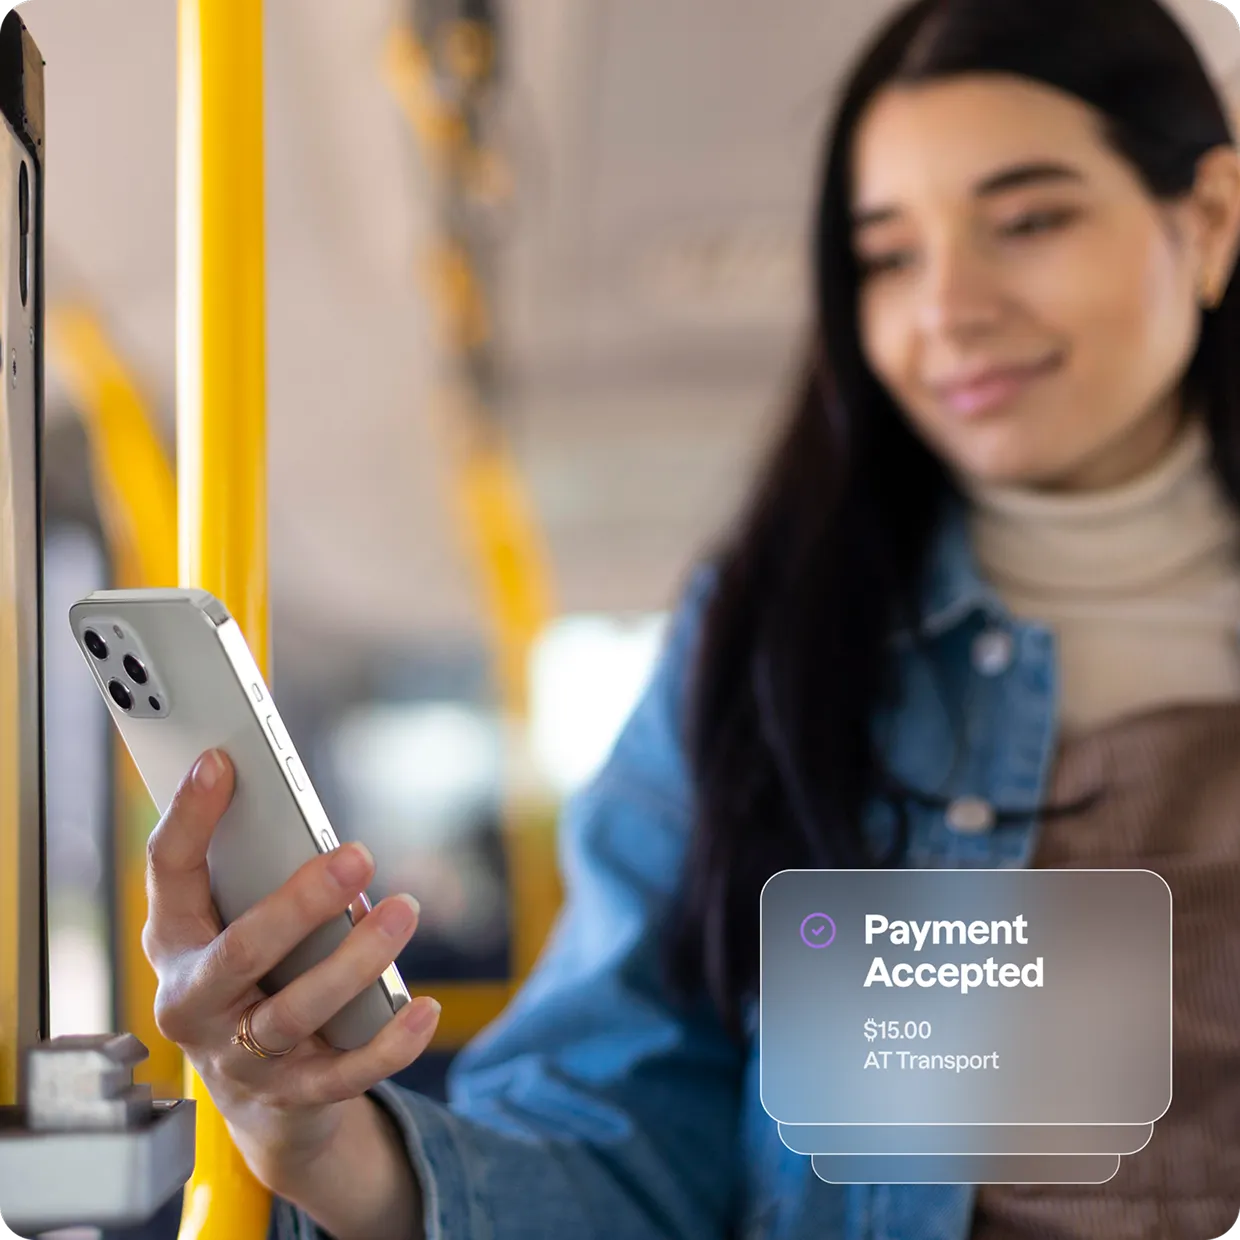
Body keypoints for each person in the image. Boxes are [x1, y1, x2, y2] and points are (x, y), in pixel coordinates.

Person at [139, 0, 1240, 1237]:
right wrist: (325, 1141)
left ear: (1207, 220)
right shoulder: (770, 647)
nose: (948, 309)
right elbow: (621, 1146)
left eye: (1028, 221)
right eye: (886, 255)